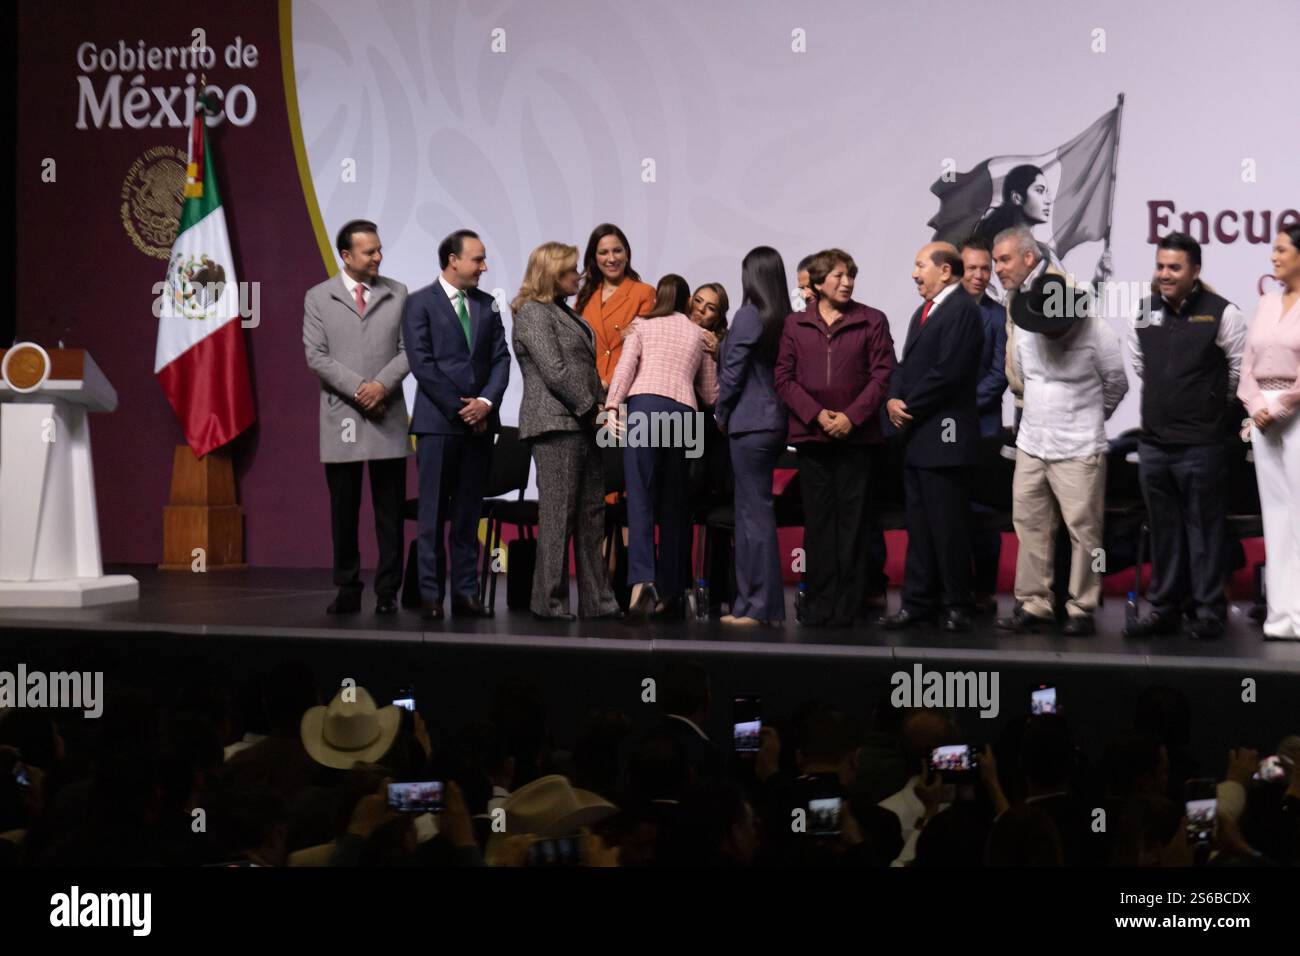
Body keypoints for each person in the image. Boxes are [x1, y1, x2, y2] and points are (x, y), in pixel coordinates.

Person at [996, 228, 1128, 636]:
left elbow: (1116, 382)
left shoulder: (1097, 331)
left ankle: (1081, 608)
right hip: (1032, 443)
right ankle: (1034, 603)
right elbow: (1023, 381)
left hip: (1079, 446)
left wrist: (1090, 417)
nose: (1049, 332)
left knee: (1084, 531)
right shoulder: (1026, 325)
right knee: (1030, 524)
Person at [1124, 232, 1248, 640]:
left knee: (1204, 531)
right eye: (1160, 266)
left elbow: (1236, 372)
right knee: (1163, 530)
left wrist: (1211, 408)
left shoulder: (1222, 313)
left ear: (1195, 271)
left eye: (1174, 267)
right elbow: (1141, 365)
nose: (1164, 274)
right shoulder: (1143, 311)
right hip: (1155, 443)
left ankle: (1208, 611)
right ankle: (1164, 609)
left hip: (1202, 445)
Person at [774, 248, 895, 628]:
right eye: (839, 276)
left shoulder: (872, 320)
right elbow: (784, 378)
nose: (847, 282)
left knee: (855, 525)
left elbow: (882, 376)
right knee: (819, 525)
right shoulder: (795, 324)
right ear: (818, 282)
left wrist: (851, 418)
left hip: (857, 441)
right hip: (812, 439)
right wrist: (816, 415)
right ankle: (818, 604)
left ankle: (850, 605)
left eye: (851, 276)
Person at [302, 219, 411, 615]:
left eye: (379, 249)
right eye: (370, 252)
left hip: (387, 413)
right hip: (342, 416)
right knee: (344, 512)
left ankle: (387, 593)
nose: (379, 257)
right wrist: (360, 390)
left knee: (390, 513)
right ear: (346, 256)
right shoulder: (318, 297)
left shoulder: (398, 293)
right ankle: (347, 588)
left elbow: (409, 349)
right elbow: (316, 356)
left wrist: (380, 386)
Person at [402, 229, 511, 620]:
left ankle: (466, 595)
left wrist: (484, 403)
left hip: (480, 426)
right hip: (438, 425)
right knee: (431, 514)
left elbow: (502, 359)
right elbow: (422, 365)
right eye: (477, 259)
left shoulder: (489, 305)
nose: (484, 267)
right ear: (452, 260)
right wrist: (459, 408)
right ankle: (431, 595)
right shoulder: (418, 304)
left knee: (468, 514)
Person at [511, 242, 622, 621]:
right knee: (558, 516)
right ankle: (550, 601)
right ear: (552, 274)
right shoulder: (532, 313)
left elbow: (583, 371)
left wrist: (608, 401)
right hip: (556, 425)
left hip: (583, 423)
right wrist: (593, 409)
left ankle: (598, 601)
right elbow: (555, 371)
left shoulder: (562, 311)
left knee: (592, 515)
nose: (580, 274)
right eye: (573, 269)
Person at [880, 243, 983, 632]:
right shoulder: (922, 312)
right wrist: (891, 397)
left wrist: (905, 405)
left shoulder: (963, 311)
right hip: (918, 440)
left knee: (949, 527)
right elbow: (906, 366)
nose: (914, 273)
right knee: (919, 527)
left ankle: (958, 604)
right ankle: (917, 603)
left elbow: (949, 372)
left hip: (945, 438)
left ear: (945, 271)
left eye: (920, 264)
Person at [603, 275, 719, 620]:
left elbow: (625, 369)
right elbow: (712, 395)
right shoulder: (699, 334)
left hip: (644, 408)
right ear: (686, 303)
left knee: (639, 497)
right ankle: (672, 591)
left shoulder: (641, 324)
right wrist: (713, 354)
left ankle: (642, 582)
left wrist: (611, 406)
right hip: (684, 413)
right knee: (675, 505)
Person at [715, 247, 791, 625]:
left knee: (752, 515)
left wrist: (721, 412)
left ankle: (757, 607)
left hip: (749, 423)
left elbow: (733, 372)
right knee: (753, 514)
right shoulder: (784, 317)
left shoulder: (748, 315)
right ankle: (752, 604)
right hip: (773, 423)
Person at [1238, 225, 1300, 640]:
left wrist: (1281, 406)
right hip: (1263, 420)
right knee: (1276, 517)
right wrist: (1258, 406)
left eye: (1281, 249)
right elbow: (1246, 366)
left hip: (1295, 416)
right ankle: (1280, 616)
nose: (1273, 257)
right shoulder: (1265, 302)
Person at [959, 235, 1008, 614]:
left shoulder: (999, 314)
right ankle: (954, 590)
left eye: (985, 267)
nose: (979, 275)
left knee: (987, 517)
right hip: (944, 431)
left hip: (985, 428)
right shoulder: (938, 310)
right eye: (972, 267)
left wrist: (962, 405)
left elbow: (1000, 374)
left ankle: (984, 589)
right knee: (952, 511)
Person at [574, 224, 656, 388]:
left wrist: (606, 383)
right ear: (594, 258)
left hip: (624, 390)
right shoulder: (584, 296)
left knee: (617, 415)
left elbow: (644, 350)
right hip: (585, 391)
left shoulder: (644, 293)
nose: (611, 259)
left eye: (617, 250)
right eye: (603, 252)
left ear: (626, 253)